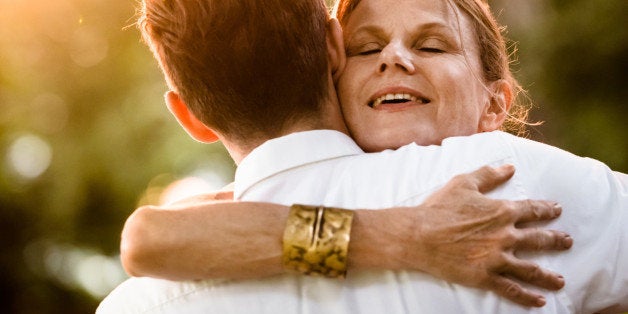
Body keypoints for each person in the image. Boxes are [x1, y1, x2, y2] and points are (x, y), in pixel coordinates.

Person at [98, 0, 628, 313]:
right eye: (368, 47)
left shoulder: (135, 304)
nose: (394, 58)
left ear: (188, 116)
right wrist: (406, 236)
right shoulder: (505, 188)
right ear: (334, 52)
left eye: (433, 46)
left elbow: (144, 239)